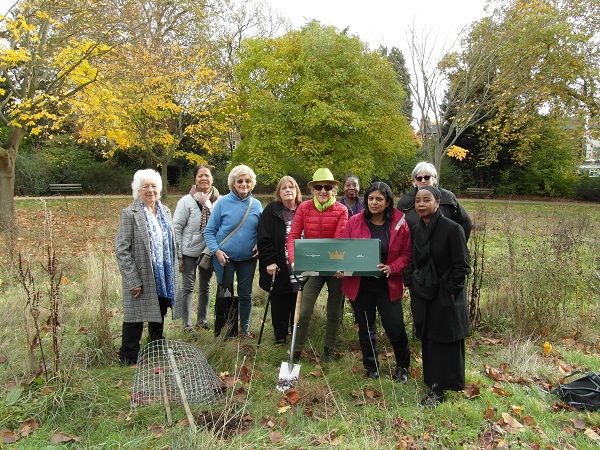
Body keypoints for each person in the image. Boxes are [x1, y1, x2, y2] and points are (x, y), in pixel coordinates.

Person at [338, 181, 412, 381]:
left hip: (388, 285)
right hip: (360, 285)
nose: (374, 203)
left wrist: (392, 267)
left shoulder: (399, 223)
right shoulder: (354, 221)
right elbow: (344, 250)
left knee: (395, 328)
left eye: (379, 199)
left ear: (387, 202)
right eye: (371, 198)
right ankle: (371, 367)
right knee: (366, 329)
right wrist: (342, 267)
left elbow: (406, 254)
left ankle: (402, 366)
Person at [410, 185, 471, 407]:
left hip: (446, 293)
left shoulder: (452, 229)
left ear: (437, 203)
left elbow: (462, 266)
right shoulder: (417, 229)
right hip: (425, 292)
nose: (421, 204)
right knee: (430, 338)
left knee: (447, 338)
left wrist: (451, 291)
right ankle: (433, 381)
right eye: (418, 200)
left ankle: (444, 386)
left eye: (426, 200)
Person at [115, 169, 178, 365]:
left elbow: (171, 242)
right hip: (141, 274)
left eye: (154, 186)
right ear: (138, 190)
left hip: (163, 273)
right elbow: (122, 249)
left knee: (160, 310)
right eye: (145, 187)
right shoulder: (130, 214)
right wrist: (133, 280)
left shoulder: (165, 211)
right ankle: (128, 357)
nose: (150, 190)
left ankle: (155, 346)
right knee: (135, 316)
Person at [287, 168, 348, 362]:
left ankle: (328, 351)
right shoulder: (304, 208)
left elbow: (339, 239)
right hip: (312, 266)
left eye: (327, 187)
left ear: (333, 189)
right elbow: (293, 235)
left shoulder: (341, 210)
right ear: (312, 189)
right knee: (304, 311)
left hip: (334, 266)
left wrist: (338, 265)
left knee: (334, 311)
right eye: (319, 187)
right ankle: (296, 351)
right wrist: (294, 260)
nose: (323, 191)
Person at [203, 165, 262, 337]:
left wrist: (259, 243)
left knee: (246, 295)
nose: (244, 184)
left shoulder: (257, 205)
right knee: (225, 295)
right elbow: (209, 231)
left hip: (248, 259)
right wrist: (216, 251)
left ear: (252, 183)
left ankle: (244, 329)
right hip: (224, 259)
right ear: (233, 183)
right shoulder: (222, 203)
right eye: (240, 181)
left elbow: (263, 231)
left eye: (247, 181)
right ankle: (225, 330)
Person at [172, 164, 220, 333]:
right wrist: (178, 254)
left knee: (205, 286)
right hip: (189, 251)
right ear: (195, 179)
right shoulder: (186, 201)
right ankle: (186, 325)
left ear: (212, 179)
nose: (204, 178)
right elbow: (176, 227)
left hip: (208, 250)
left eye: (207, 175)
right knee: (188, 287)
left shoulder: (219, 201)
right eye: (200, 175)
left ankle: (202, 321)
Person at [257, 176, 303, 344]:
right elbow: (264, 238)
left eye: (291, 187)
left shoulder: (304, 209)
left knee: (298, 298)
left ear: (297, 190)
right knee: (280, 300)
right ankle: (280, 336)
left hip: (301, 264)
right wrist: (269, 261)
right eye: (284, 188)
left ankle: (296, 335)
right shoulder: (271, 210)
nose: (288, 190)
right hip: (279, 264)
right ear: (278, 192)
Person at [397, 161, 472, 240]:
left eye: (427, 177)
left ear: (434, 179)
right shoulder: (405, 202)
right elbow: (398, 229)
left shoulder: (448, 198)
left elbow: (465, 223)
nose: (423, 181)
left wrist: (456, 243)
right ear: (415, 181)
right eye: (419, 178)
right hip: (415, 246)